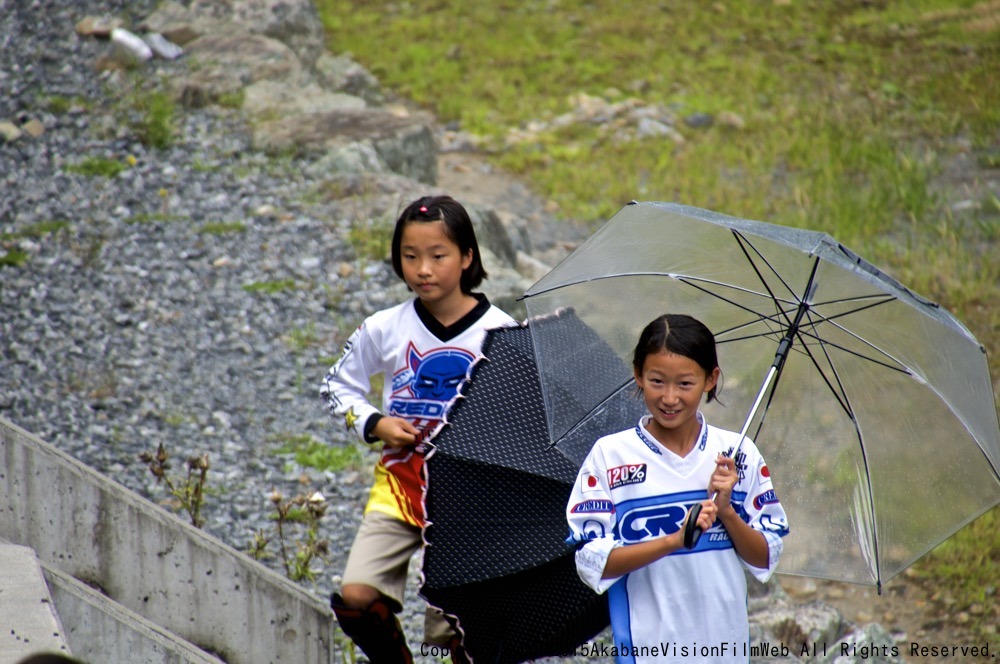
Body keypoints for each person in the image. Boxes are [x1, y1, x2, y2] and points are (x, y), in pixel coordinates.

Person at [320, 195, 516, 663]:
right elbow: (335, 386)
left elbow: (520, 420)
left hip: (469, 503)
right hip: (399, 486)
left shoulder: (502, 333)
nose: (423, 269)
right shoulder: (383, 328)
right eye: (410, 257)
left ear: (467, 257)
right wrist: (376, 421)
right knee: (356, 600)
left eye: (438, 256)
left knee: (457, 635)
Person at [566, 314, 790, 663]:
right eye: (657, 381)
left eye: (685, 384)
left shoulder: (738, 455)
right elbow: (593, 563)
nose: (669, 398)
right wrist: (674, 540)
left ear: (710, 379)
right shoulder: (609, 457)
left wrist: (728, 512)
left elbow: (764, 557)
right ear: (638, 374)